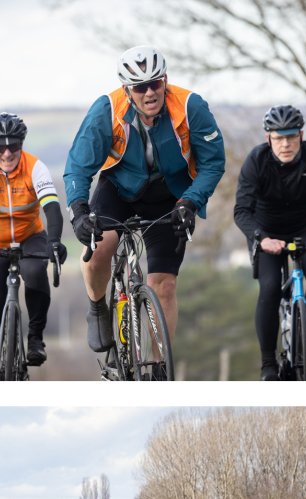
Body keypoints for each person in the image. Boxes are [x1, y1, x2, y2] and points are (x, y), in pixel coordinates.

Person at [64, 46, 225, 353]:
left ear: (165, 80)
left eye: (156, 83)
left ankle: (158, 366)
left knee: (163, 286)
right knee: (99, 250)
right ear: (127, 90)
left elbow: (213, 164)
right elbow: (78, 166)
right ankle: (98, 308)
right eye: (140, 87)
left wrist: (190, 202)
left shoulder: (191, 106)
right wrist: (79, 210)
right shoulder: (106, 110)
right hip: (120, 188)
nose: (150, 93)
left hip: (171, 197)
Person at [234, 104, 306, 380]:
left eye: (291, 137)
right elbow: (241, 211)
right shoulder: (256, 161)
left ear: (301, 135)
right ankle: (268, 364)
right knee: (271, 288)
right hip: (268, 233)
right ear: (268, 138)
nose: (285, 144)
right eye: (279, 138)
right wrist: (260, 239)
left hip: (304, 228)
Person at [0, 112, 68, 379]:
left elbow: (52, 209)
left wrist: (54, 240)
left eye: (14, 146)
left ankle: (35, 339)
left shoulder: (35, 167)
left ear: (22, 144)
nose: (7, 153)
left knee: (33, 273)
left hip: (30, 236)